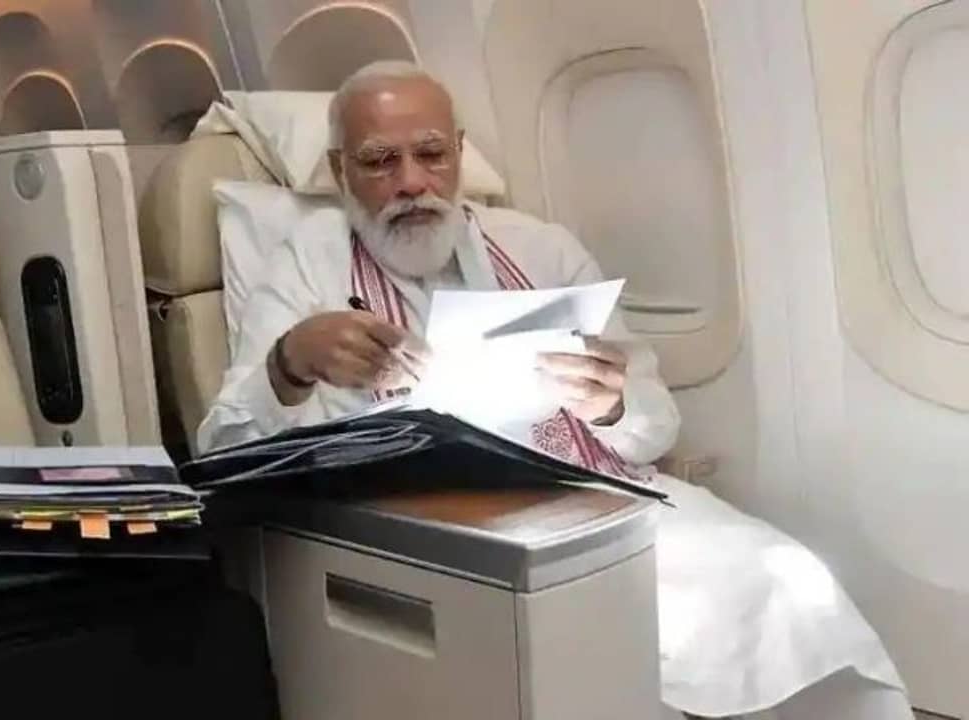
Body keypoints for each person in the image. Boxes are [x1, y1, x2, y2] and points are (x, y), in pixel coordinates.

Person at [198, 60, 913, 720]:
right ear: (339, 171)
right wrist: (290, 363)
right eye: (380, 161)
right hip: (413, 527)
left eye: (432, 153)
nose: (412, 182)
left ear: (459, 153)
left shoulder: (542, 248)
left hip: (581, 493)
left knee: (780, 578)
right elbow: (222, 449)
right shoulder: (304, 266)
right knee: (591, 648)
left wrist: (612, 404)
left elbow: (654, 426)